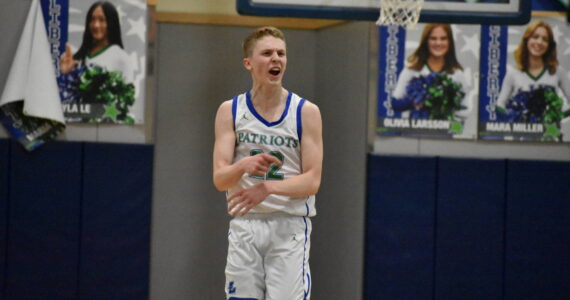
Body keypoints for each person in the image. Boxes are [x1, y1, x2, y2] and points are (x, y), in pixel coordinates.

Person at [212, 26, 323, 300]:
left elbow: (312, 180)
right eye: (267, 53)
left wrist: (269, 188)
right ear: (248, 63)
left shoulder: (306, 112)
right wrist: (242, 166)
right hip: (245, 224)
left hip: (289, 225)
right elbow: (220, 179)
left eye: (281, 53)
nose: (276, 59)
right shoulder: (230, 110)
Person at [391, 23, 470, 119]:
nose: (438, 43)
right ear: (426, 41)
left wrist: (452, 126)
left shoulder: (457, 74)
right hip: (415, 131)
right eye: (433, 38)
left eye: (443, 38)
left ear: (450, 42)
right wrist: (415, 101)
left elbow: (464, 111)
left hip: (444, 132)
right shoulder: (411, 71)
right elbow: (395, 104)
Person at [496, 20, 570, 117]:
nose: (539, 42)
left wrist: (558, 116)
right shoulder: (513, 73)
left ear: (549, 45)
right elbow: (500, 104)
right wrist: (513, 117)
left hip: (549, 131)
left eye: (545, 39)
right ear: (527, 40)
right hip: (521, 131)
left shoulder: (558, 71)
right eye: (535, 37)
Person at [59, 1, 133, 82]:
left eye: (102, 20)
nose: (96, 25)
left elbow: (129, 92)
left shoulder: (121, 57)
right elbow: (67, 91)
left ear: (111, 22)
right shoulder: (78, 57)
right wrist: (66, 73)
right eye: (92, 19)